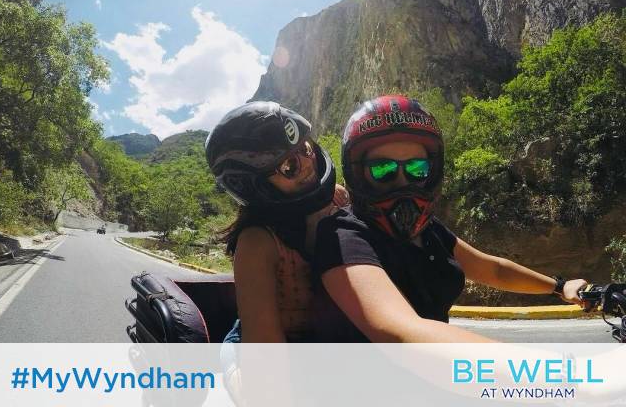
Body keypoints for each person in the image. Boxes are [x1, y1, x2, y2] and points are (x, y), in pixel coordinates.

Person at [313, 95, 589, 342]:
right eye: (383, 169)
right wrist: (544, 371)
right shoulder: (342, 236)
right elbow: (401, 330)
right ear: (358, 173)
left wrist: (560, 287)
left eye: (417, 168)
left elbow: (493, 270)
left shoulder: (429, 232)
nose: (402, 181)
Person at [205, 101, 348, 343]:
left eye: (305, 148)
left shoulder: (338, 198)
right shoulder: (257, 242)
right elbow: (264, 347)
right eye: (288, 166)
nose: (306, 164)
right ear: (253, 185)